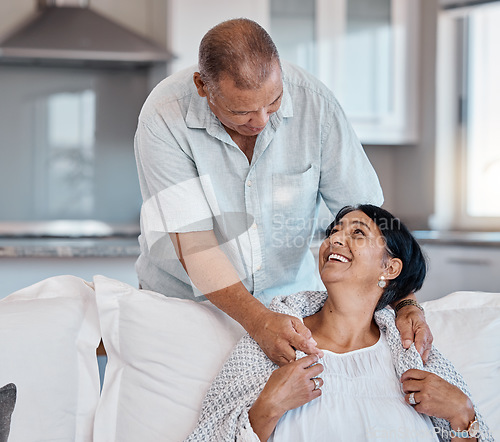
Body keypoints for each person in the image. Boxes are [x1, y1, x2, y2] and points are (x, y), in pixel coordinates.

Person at [134, 18, 432, 366]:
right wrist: (258, 321)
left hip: (292, 309)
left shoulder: (315, 104)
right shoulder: (164, 117)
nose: (260, 120)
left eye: (273, 102)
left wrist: (406, 301)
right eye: (241, 111)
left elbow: (372, 223)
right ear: (203, 86)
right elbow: (195, 245)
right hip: (185, 307)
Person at [185, 205, 493, 442]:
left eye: (357, 233)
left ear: (389, 267)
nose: (335, 239)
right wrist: (267, 408)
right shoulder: (271, 345)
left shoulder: (414, 354)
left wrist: (462, 414)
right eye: (333, 231)